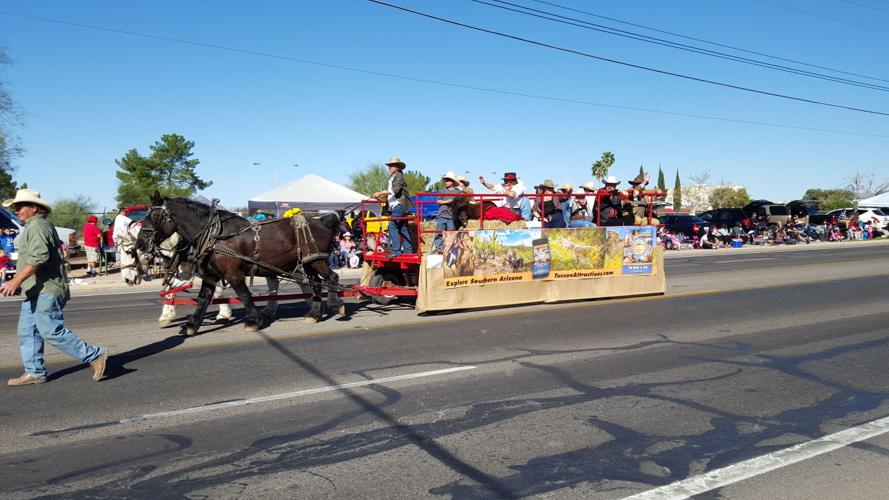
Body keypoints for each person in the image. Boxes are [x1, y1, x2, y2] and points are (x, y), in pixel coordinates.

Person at [1, 189, 108, 385]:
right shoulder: (32, 226)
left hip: (47, 289)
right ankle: (35, 372)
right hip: (34, 289)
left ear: (34, 208)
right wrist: (19, 283)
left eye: (19, 206)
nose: (16, 211)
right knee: (27, 331)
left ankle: (94, 355)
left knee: (50, 330)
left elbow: (38, 258)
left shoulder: (38, 226)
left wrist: (15, 281)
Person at [373, 156, 414, 258]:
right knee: (403, 228)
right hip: (395, 205)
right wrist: (381, 196)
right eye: (389, 166)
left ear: (398, 167)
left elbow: (394, 191)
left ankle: (396, 251)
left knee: (392, 226)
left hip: (399, 205)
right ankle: (408, 251)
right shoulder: (391, 178)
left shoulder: (399, 176)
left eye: (392, 165)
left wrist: (380, 193)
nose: (390, 167)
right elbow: (390, 194)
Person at [433, 172, 463, 253]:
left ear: (453, 182)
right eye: (445, 180)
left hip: (452, 216)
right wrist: (446, 202)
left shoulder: (458, 192)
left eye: (448, 180)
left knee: (452, 234)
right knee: (439, 233)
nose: (446, 182)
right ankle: (439, 250)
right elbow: (437, 201)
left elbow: (460, 203)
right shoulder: (442, 190)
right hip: (442, 215)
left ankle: (450, 250)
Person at [112, 207, 139, 285]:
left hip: (116, 237)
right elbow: (132, 223)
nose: (126, 213)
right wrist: (138, 223)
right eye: (125, 212)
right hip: (121, 236)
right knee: (131, 250)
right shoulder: (122, 217)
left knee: (122, 253)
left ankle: (120, 262)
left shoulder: (117, 217)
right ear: (122, 211)